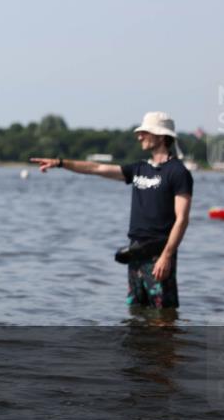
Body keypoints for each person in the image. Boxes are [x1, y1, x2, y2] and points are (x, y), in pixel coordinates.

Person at [32, 111, 193, 310]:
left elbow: (182, 219)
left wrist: (166, 256)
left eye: (145, 132)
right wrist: (60, 163)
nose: (139, 136)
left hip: (159, 255)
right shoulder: (139, 169)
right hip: (135, 253)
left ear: (160, 136)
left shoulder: (178, 172)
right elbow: (96, 168)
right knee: (136, 313)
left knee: (163, 315)